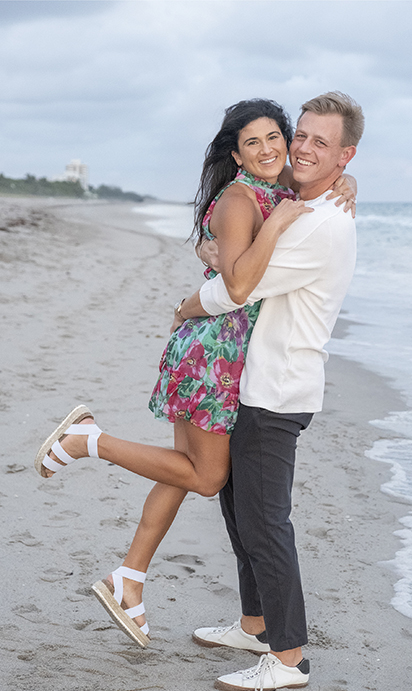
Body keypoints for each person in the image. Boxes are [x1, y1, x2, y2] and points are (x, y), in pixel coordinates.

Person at [34, 98, 354, 649]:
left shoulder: (280, 189)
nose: (272, 149)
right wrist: (270, 230)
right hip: (213, 352)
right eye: (253, 142)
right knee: (205, 477)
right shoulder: (242, 199)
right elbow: (238, 285)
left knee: (184, 471)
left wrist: (346, 183)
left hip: (228, 352)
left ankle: (129, 579)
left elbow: (314, 186)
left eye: (277, 137)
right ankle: (89, 440)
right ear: (236, 155)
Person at [177, 91, 363, 691]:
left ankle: (288, 658)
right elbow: (242, 251)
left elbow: (237, 287)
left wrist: (186, 305)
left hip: (277, 392)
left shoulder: (319, 224)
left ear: (344, 155)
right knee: (240, 513)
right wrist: (215, 249)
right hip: (254, 382)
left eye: (320, 143)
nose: (302, 148)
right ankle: (255, 626)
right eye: (300, 135)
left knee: (265, 524)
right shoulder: (304, 203)